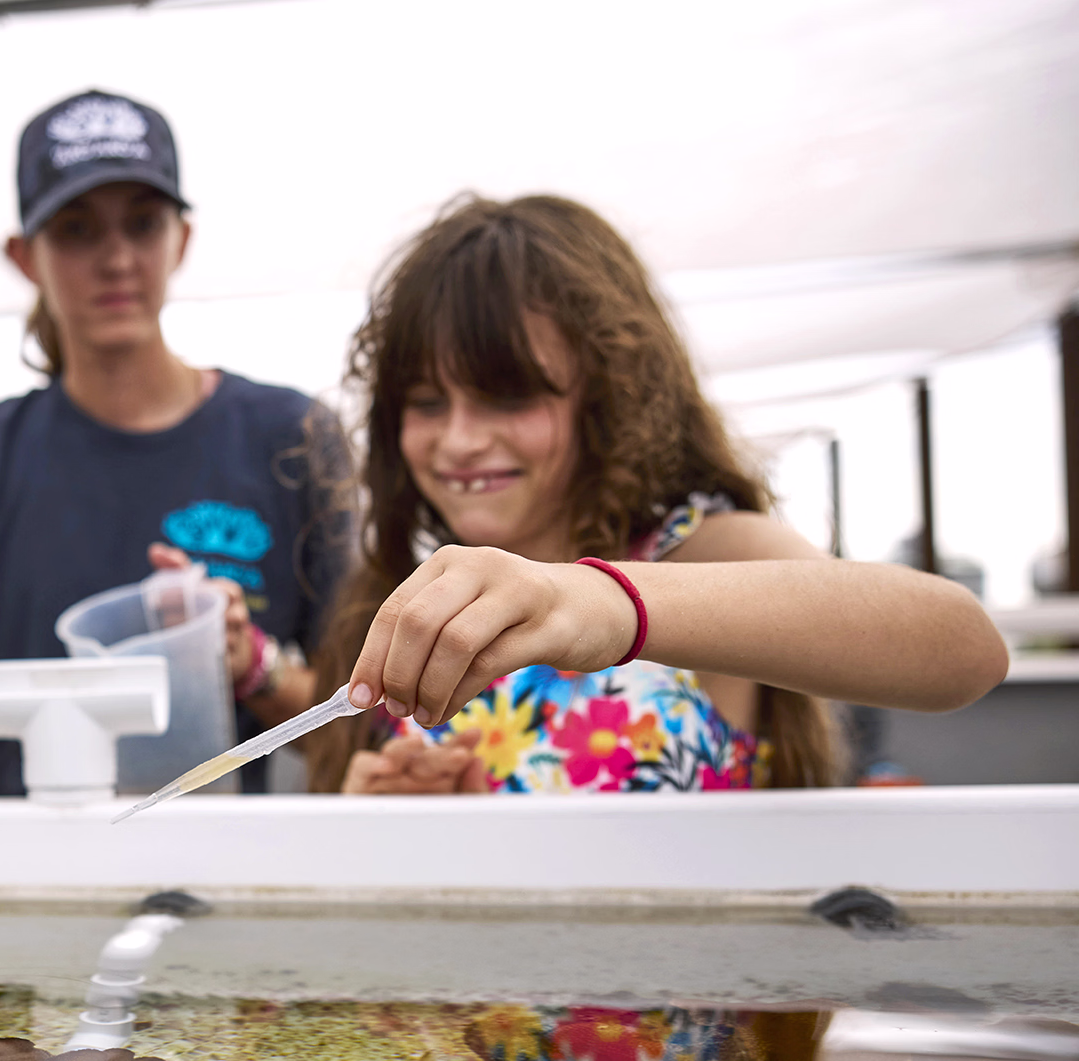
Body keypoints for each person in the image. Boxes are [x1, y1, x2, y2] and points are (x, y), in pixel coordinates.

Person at [310, 195, 1008, 794]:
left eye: (508, 395)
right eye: (427, 402)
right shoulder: (390, 599)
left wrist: (603, 600)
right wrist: (396, 830)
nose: (459, 439)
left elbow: (966, 651)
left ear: (610, 392)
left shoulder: (706, 551)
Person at [0, 90, 350, 797]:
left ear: (182, 238)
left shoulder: (292, 438)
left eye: (142, 224)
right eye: (76, 230)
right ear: (25, 256)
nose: (115, 259)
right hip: (34, 867)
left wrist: (248, 664)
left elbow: (361, 716)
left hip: (221, 869)